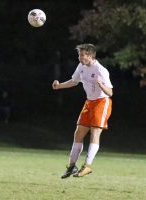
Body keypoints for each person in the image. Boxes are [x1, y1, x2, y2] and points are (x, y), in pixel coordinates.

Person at [52, 44, 113, 178]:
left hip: (102, 102)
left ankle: (87, 166)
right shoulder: (81, 66)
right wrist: (59, 86)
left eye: (82, 55)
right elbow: (74, 81)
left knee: (94, 134)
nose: (79, 57)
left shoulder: (101, 70)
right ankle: (72, 166)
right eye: (79, 55)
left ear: (91, 55)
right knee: (78, 134)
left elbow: (110, 92)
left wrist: (101, 85)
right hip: (89, 103)